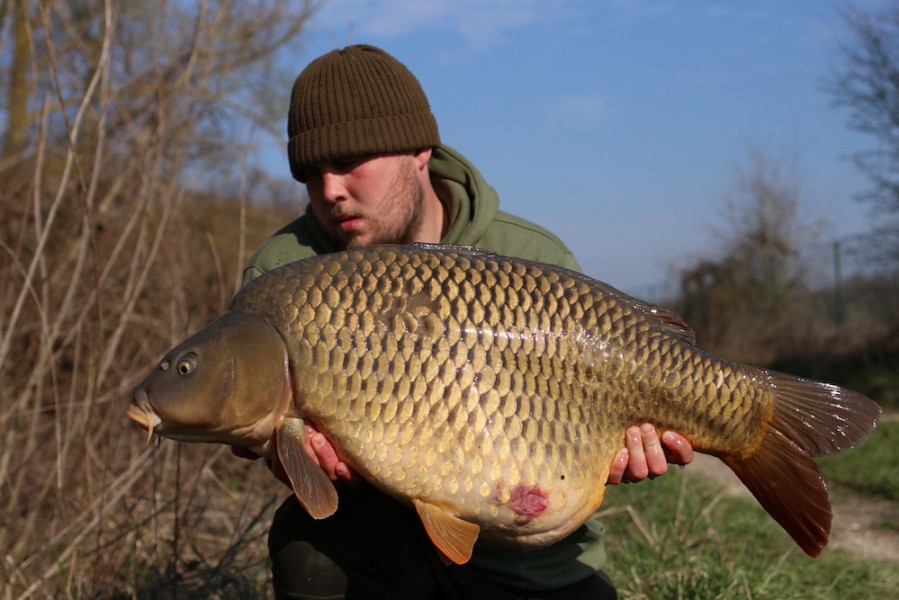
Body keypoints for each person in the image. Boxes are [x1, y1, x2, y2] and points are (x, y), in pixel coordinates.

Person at [238, 44, 694, 599]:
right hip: (381, 540)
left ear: (419, 150)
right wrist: (285, 453)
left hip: (524, 559)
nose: (331, 190)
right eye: (310, 173)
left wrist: (623, 449)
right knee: (304, 540)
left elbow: (598, 433)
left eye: (350, 162)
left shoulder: (529, 254)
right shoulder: (285, 273)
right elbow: (251, 415)